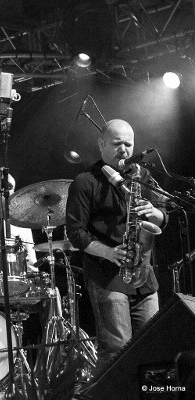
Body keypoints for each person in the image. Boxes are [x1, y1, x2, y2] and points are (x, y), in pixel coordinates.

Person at [65, 119, 169, 374]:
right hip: (107, 275)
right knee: (117, 350)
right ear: (101, 144)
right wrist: (110, 253)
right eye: (117, 143)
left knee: (153, 348)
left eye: (128, 144)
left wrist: (153, 212)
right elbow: (76, 233)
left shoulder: (142, 176)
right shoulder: (85, 181)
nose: (124, 149)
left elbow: (164, 215)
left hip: (144, 275)